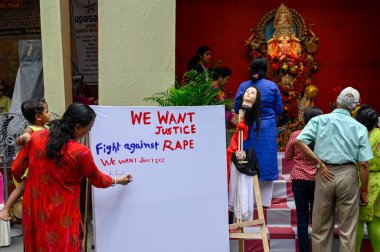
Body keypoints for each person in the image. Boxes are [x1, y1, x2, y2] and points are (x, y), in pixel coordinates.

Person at [11, 103, 133, 252]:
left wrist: (30, 181)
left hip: (34, 208)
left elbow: (16, 169)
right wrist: (118, 180)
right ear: (77, 127)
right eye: (89, 128)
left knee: (37, 245)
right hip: (61, 212)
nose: (89, 132)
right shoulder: (80, 152)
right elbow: (98, 180)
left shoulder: (35, 138)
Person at [295, 87, 372, 252]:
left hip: (325, 173)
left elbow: (299, 142)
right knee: (348, 230)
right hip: (348, 175)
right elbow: (364, 164)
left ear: (337, 100)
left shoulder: (319, 121)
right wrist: (364, 189)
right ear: (355, 106)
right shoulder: (359, 127)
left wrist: (318, 163)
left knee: (321, 228)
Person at [233, 56, 283, 207]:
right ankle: (265, 201)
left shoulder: (244, 86)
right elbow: (279, 109)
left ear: (251, 69)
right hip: (267, 127)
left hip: (248, 127)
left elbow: (237, 108)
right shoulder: (272, 86)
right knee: (267, 161)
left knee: (248, 159)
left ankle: (248, 200)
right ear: (266, 70)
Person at [0, 98, 50, 222]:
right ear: (38, 116)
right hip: (32, 167)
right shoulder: (31, 129)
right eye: (47, 111)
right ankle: (6, 208)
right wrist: (23, 137)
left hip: (44, 166)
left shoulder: (47, 128)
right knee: (22, 187)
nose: (49, 114)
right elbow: (20, 139)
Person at [284, 106, 323, 252]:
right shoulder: (324, 135)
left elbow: (287, 157)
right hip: (319, 178)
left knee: (302, 218)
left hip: (299, 177)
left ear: (304, 119)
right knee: (317, 218)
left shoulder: (296, 135)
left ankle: (304, 250)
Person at [228, 86, 262, 221]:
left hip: (247, 154)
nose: (248, 93)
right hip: (236, 152)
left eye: (252, 92)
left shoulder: (256, 118)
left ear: (257, 98)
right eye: (247, 91)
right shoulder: (240, 113)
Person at [355, 105, 380, 252]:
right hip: (379, 180)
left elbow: (361, 163)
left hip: (362, 180)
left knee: (357, 221)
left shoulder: (358, 135)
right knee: (376, 221)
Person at [211, 67, 236, 143]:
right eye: (227, 79)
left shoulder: (220, 88)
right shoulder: (211, 89)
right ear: (220, 77)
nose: (228, 82)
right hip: (216, 124)